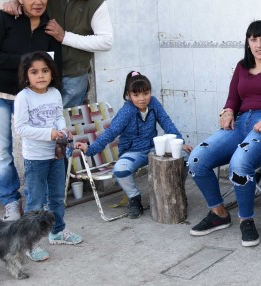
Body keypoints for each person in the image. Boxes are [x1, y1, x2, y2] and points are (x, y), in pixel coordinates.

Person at [187, 20, 261, 247]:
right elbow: (233, 96)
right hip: (240, 124)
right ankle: (218, 213)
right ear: (248, 42)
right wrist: (228, 110)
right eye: (253, 39)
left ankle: (246, 219)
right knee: (196, 159)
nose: (259, 45)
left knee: (239, 163)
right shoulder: (242, 66)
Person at [0, 0, 62, 222]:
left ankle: (37, 197)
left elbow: (53, 65)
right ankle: (11, 202)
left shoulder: (49, 27)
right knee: (2, 151)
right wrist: (27, 62)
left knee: (40, 144)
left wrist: (53, 94)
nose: (37, 1)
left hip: (30, 96)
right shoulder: (3, 18)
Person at [72, 71, 190, 219]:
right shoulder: (126, 111)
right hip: (133, 152)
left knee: (186, 157)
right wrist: (91, 149)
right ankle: (134, 199)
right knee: (120, 170)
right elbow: (111, 132)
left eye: (145, 93)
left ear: (150, 93)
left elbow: (167, 122)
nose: (142, 99)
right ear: (128, 95)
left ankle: (174, 190)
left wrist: (180, 143)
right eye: (136, 95)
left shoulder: (153, 103)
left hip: (154, 149)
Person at [4, 0, 114, 108]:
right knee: (41, 119)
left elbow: (106, 41)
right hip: (39, 72)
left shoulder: (96, 0)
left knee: (67, 125)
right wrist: (15, 2)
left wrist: (65, 37)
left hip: (74, 75)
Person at [12, 51, 82, 261]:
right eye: (34, 72)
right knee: (35, 201)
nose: (40, 76)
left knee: (58, 197)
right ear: (26, 76)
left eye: (45, 70)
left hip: (56, 155)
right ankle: (28, 243)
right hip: (35, 158)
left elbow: (59, 116)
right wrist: (48, 134)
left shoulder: (54, 93)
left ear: (52, 73)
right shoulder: (23, 97)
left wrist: (63, 129)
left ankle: (58, 231)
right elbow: (21, 128)